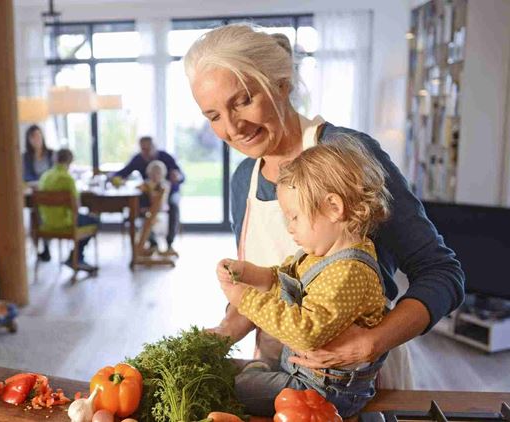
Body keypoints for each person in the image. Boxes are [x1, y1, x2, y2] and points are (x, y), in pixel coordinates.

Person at [184, 23, 464, 390]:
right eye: (214, 115)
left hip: (359, 382)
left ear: (281, 85)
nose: (233, 127)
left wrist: (372, 342)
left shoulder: (347, 154)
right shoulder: (244, 179)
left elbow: (442, 272)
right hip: (278, 380)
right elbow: (273, 288)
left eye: (243, 100)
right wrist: (222, 332)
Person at [217, 140, 390, 417]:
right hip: (302, 374)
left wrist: (244, 298)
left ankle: (256, 374)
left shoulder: (349, 272)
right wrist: (249, 273)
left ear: (334, 207)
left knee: (227, 387)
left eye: (294, 217)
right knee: (242, 377)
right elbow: (284, 279)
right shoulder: (319, 254)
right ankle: (259, 373)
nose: (289, 228)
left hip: (325, 391)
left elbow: (305, 332)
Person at [114, 136, 184, 254]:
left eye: (148, 148)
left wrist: (177, 177)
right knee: (138, 206)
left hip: (169, 192)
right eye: (143, 149)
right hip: (148, 194)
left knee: (173, 205)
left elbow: (181, 176)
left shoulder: (166, 157)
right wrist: (113, 178)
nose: (145, 152)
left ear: (154, 147)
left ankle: (169, 243)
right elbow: (123, 173)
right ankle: (152, 242)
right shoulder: (138, 159)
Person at [38, 148, 99, 272]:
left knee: (85, 219)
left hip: (46, 224)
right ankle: (76, 257)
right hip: (66, 223)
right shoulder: (67, 179)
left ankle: (74, 257)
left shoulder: (45, 176)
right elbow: (77, 206)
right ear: (70, 161)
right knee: (94, 220)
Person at [22, 125, 55, 261]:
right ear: (29, 139)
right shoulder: (26, 157)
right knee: (35, 214)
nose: (36, 139)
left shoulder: (51, 154)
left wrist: (44, 182)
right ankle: (40, 248)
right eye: (33, 136)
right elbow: (26, 176)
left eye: (38, 135)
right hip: (34, 192)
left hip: (50, 192)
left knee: (43, 213)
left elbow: (54, 173)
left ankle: (46, 246)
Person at [139, 160, 171, 253]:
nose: (155, 176)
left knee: (149, 222)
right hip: (148, 211)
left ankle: (153, 244)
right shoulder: (146, 184)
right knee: (144, 220)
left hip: (159, 211)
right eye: (152, 173)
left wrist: (150, 190)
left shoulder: (163, 185)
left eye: (158, 173)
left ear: (162, 174)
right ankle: (151, 244)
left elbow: (159, 201)